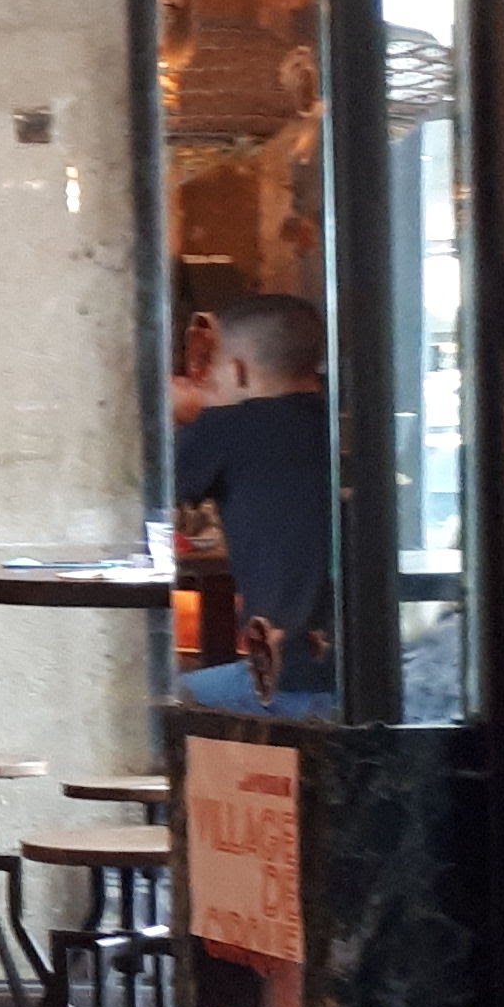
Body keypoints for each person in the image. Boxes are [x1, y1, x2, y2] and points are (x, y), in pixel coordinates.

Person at [173, 294, 335, 718]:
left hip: (290, 681)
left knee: (146, 705)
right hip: (377, 677)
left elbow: (129, 490)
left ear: (238, 371)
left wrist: (172, 414)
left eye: (208, 368)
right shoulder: (343, 420)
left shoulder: (229, 426)